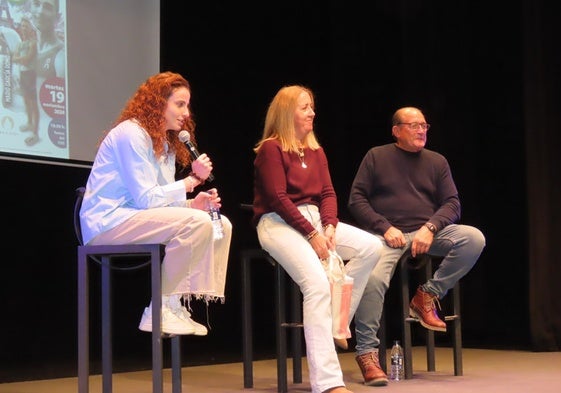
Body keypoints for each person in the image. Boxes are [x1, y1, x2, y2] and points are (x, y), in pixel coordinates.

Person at [252, 85, 383, 393]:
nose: (312, 112)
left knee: (371, 247)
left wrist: (330, 226)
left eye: (312, 106)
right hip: (278, 222)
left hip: (315, 219)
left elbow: (327, 192)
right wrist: (311, 234)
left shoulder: (316, 150)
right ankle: (327, 383)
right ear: (287, 113)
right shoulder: (271, 148)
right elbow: (277, 197)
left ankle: (338, 322)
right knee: (317, 285)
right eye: (304, 107)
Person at [80, 71, 232, 336]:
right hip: (108, 222)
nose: (186, 112)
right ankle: (160, 308)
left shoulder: (167, 144)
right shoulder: (132, 134)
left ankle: (179, 303)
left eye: (187, 105)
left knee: (221, 224)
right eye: (179, 104)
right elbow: (147, 199)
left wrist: (192, 204)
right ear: (159, 102)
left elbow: (161, 202)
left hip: (136, 217)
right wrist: (192, 181)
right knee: (196, 224)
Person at [347, 106, 486, 386]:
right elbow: (356, 200)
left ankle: (426, 295)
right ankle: (367, 353)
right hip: (385, 236)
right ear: (396, 131)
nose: (421, 130)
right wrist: (385, 227)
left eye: (424, 125)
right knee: (372, 278)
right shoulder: (376, 156)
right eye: (413, 125)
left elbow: (452, 203)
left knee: (473, 238)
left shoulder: (437, 161)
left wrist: (430, 228)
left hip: (427, 233)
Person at [28, 0, 66, 146]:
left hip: (48, 142)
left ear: (57, 17)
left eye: (47, 7)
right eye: (36, 4)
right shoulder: (27, 46)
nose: (40, 11)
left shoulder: (60, 56)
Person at [12, 17, 39, 137]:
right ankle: (29, 123)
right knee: (26, 101)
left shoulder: (33, 43)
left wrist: (20, 59)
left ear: (30, 29)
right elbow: (14, 58)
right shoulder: (20, 43)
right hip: (22, 74)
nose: (23, 28)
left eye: (26, 26)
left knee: (33, 103)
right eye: (22, 26)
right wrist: (20, 59)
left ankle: (35, 133)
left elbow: (28, 60)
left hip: (30, 75)